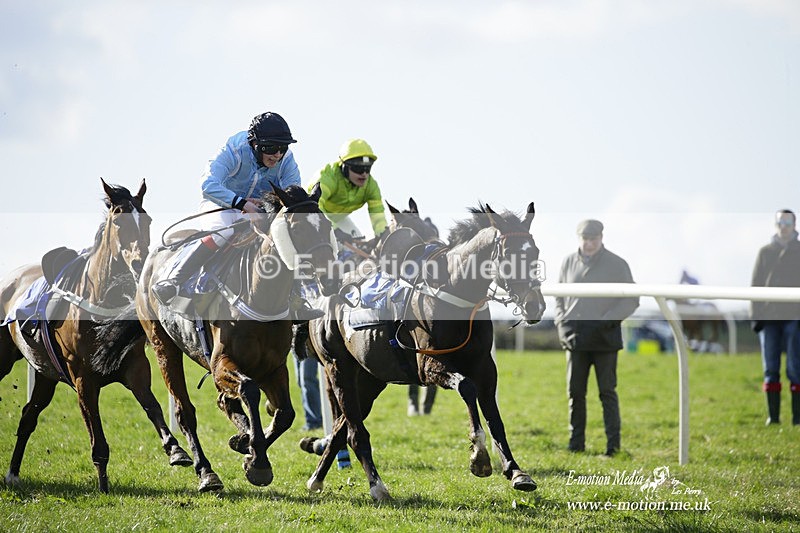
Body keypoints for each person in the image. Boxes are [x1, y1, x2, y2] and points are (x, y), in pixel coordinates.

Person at [152, 111, 323, 321]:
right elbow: (208, 185)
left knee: (285, 237)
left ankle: (297, 298)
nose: (277, 154)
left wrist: (270, 208)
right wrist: (242, 204)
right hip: (220, 204)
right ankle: (174, 281)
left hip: (260, 210)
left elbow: (290, 195)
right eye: (270, 148)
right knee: (222, 233)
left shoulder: (286, 160)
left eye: (282, 147)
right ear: (254, 144)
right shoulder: (234, 150)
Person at [554, 219, 639, 457]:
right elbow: (558, 299)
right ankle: (575, 446)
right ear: (578, 238)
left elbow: (632, 299)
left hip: (605, 340)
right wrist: (562, 325)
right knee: (575, 393)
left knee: (607, 393)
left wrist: (606, 321)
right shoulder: (568, 262)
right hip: (575, 339)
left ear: (601, 237)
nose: (589, 243)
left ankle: (613, 448)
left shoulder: (617, 264)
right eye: (585, 239)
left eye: (594, 239)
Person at [750, 209, 800, 426]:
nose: (784, 225)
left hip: (795, 317)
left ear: (794, 224)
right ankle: (774, 418)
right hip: (769, 318)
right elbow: (756, 285)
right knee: (770, 369)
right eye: (780, 221)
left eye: (788, 221)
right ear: (776, 224)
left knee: (795, 368)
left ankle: (797, 418)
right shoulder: (765, 252)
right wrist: (756, 319)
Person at [313, 138, 387, 241]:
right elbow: (314, 208)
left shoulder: (371, 186)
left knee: (360, 246)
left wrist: (383, 237)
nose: (364, 174)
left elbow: (379, 219)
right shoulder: (328, 178)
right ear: (344, 166)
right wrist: (334, 230)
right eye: (359, 169)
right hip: (313, 218)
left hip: (339, 219)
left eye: (367, 168)